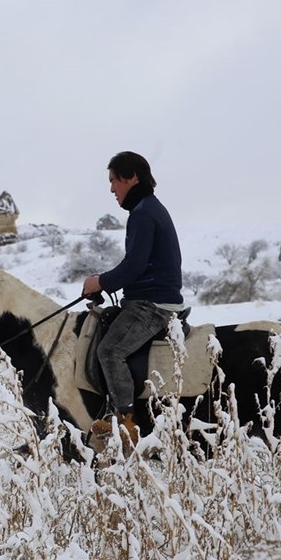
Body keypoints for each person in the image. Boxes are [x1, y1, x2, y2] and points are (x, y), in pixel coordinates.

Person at [82, 151, 184, 447]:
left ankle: (125, 420)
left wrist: (98, 281)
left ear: (132, 178)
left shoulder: (143, 213)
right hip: (146, 298)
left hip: (153, 305)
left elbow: (135, 265)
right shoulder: (147, 209)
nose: (112, 188)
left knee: (110, 350)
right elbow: (138, 267)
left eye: (114, 180)